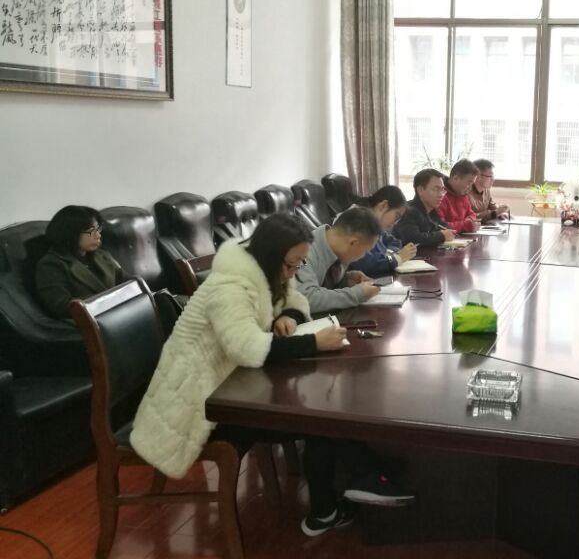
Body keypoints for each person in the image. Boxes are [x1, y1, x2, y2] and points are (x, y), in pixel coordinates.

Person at [130, 214, 413, 539]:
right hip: (200, 403)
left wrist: (289, 315)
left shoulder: (267, 270)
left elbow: (296, 297)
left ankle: (365, 472)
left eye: (300, 264)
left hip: (231, 382)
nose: (295, 272)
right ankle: (329, 507)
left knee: (326, 402)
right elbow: (247, 348)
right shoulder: (230, 287)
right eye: (292, 265)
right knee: (318, 416)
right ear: (270, 256)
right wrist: (312, 342)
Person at [34, 205, 128, 321]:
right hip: (90, 322)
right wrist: (108, 301)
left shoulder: (101, 254)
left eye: (98, 229)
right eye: (91, 232)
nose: (98, 235)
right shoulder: (51, 265)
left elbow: (125, 280)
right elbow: (61, 306)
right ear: (70, 234)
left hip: (118, 313)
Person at [297, 207, 382, 315]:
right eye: (365, 251)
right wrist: (356, 294)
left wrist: (345, 280)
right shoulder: (303, 252)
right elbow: (306, 299)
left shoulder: (337, 251)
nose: (363, 256)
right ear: (353, 243)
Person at [347, 186, 417, 277]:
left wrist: (388, 254)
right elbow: (364, 263)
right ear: (384, 206)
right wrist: (397, 258)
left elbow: (395, 242)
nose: (395, 223)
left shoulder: (374, 221)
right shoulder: (356, 219)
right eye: (396, 216)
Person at [393, 168, 457, 248]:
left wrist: (448, 232)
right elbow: (412, 239)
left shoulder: (432, 210)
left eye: (442, 190)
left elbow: (443, 227)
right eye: (436, 189)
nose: (441, 195)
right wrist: (441, 235)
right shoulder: (408, 211)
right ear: (420, 190)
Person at [436, 159, 480, 234]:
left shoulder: (463, 194)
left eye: (472, 184)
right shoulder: (440, 195)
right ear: (455, 178)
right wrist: (465, 225)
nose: (470, 188)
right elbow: (440, 226)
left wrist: (468, 222)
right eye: (469, 183)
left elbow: (472, 214)